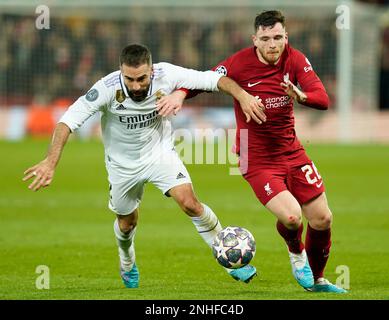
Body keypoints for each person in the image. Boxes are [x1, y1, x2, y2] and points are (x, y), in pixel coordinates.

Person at [22, 44, 267, 288]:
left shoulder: (167, 74)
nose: (136, 85)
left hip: (160, 154)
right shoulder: (106, 88)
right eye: (129, 79)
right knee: (127, 223)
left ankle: (229, 258)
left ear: (151, 71)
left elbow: (213, 79)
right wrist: (50, 162)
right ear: (121, 71)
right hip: (122, 166)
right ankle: (127, 261)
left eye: (141, 78)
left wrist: (243, 96)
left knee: (190, 203)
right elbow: (67, 121)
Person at [160, 11, 347, 293]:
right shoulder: (239, 63)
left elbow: (322, 98)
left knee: (323, 219)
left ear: (286, 37)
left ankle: (318, 281)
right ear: (255, 40)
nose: (273, 45)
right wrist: (180, 94)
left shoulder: (295, 59)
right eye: (266, 39)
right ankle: (297, 256)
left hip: (292, 152)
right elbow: (204, 80)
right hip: (256, 157)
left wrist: (301, 95)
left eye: (278, 38)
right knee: (293, 217)